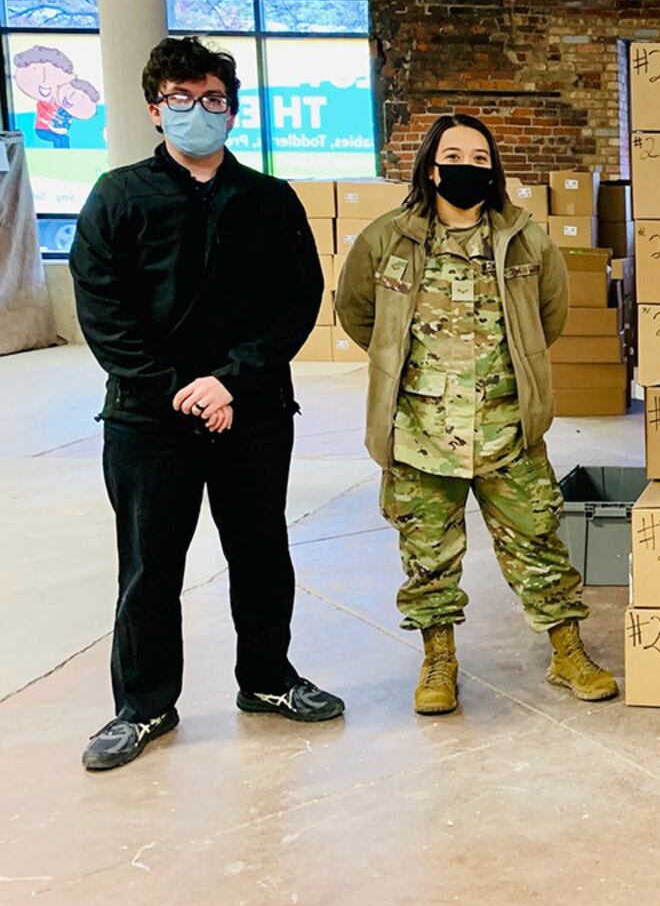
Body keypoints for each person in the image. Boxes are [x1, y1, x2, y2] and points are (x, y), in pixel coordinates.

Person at [70, 37, 344, 772]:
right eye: (182, 100)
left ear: (233, 109)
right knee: (150, 565)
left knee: (260, 553)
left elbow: (297, 303)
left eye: (213, 100)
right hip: (147, 420)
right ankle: (143, 703)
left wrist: (232, 381)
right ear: (156, 109)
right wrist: (177, 391)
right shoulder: (117, 197)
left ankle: (268, 679)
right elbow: (103, 312)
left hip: (249, 413)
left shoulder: (269, 199)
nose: (199, 112)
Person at [336, 114, 616, 715]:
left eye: (481, 159)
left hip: (507, 425)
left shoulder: (523, 237)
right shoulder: (387, 238)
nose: (468, 168)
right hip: (418, 431)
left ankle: (568, 652)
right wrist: (404, 372)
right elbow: (358, 312)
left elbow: (550, 316)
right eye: (455, 156)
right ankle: (439, 660)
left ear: (493, 172)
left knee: (539, 541)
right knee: (427, 554)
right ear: (431, 167)